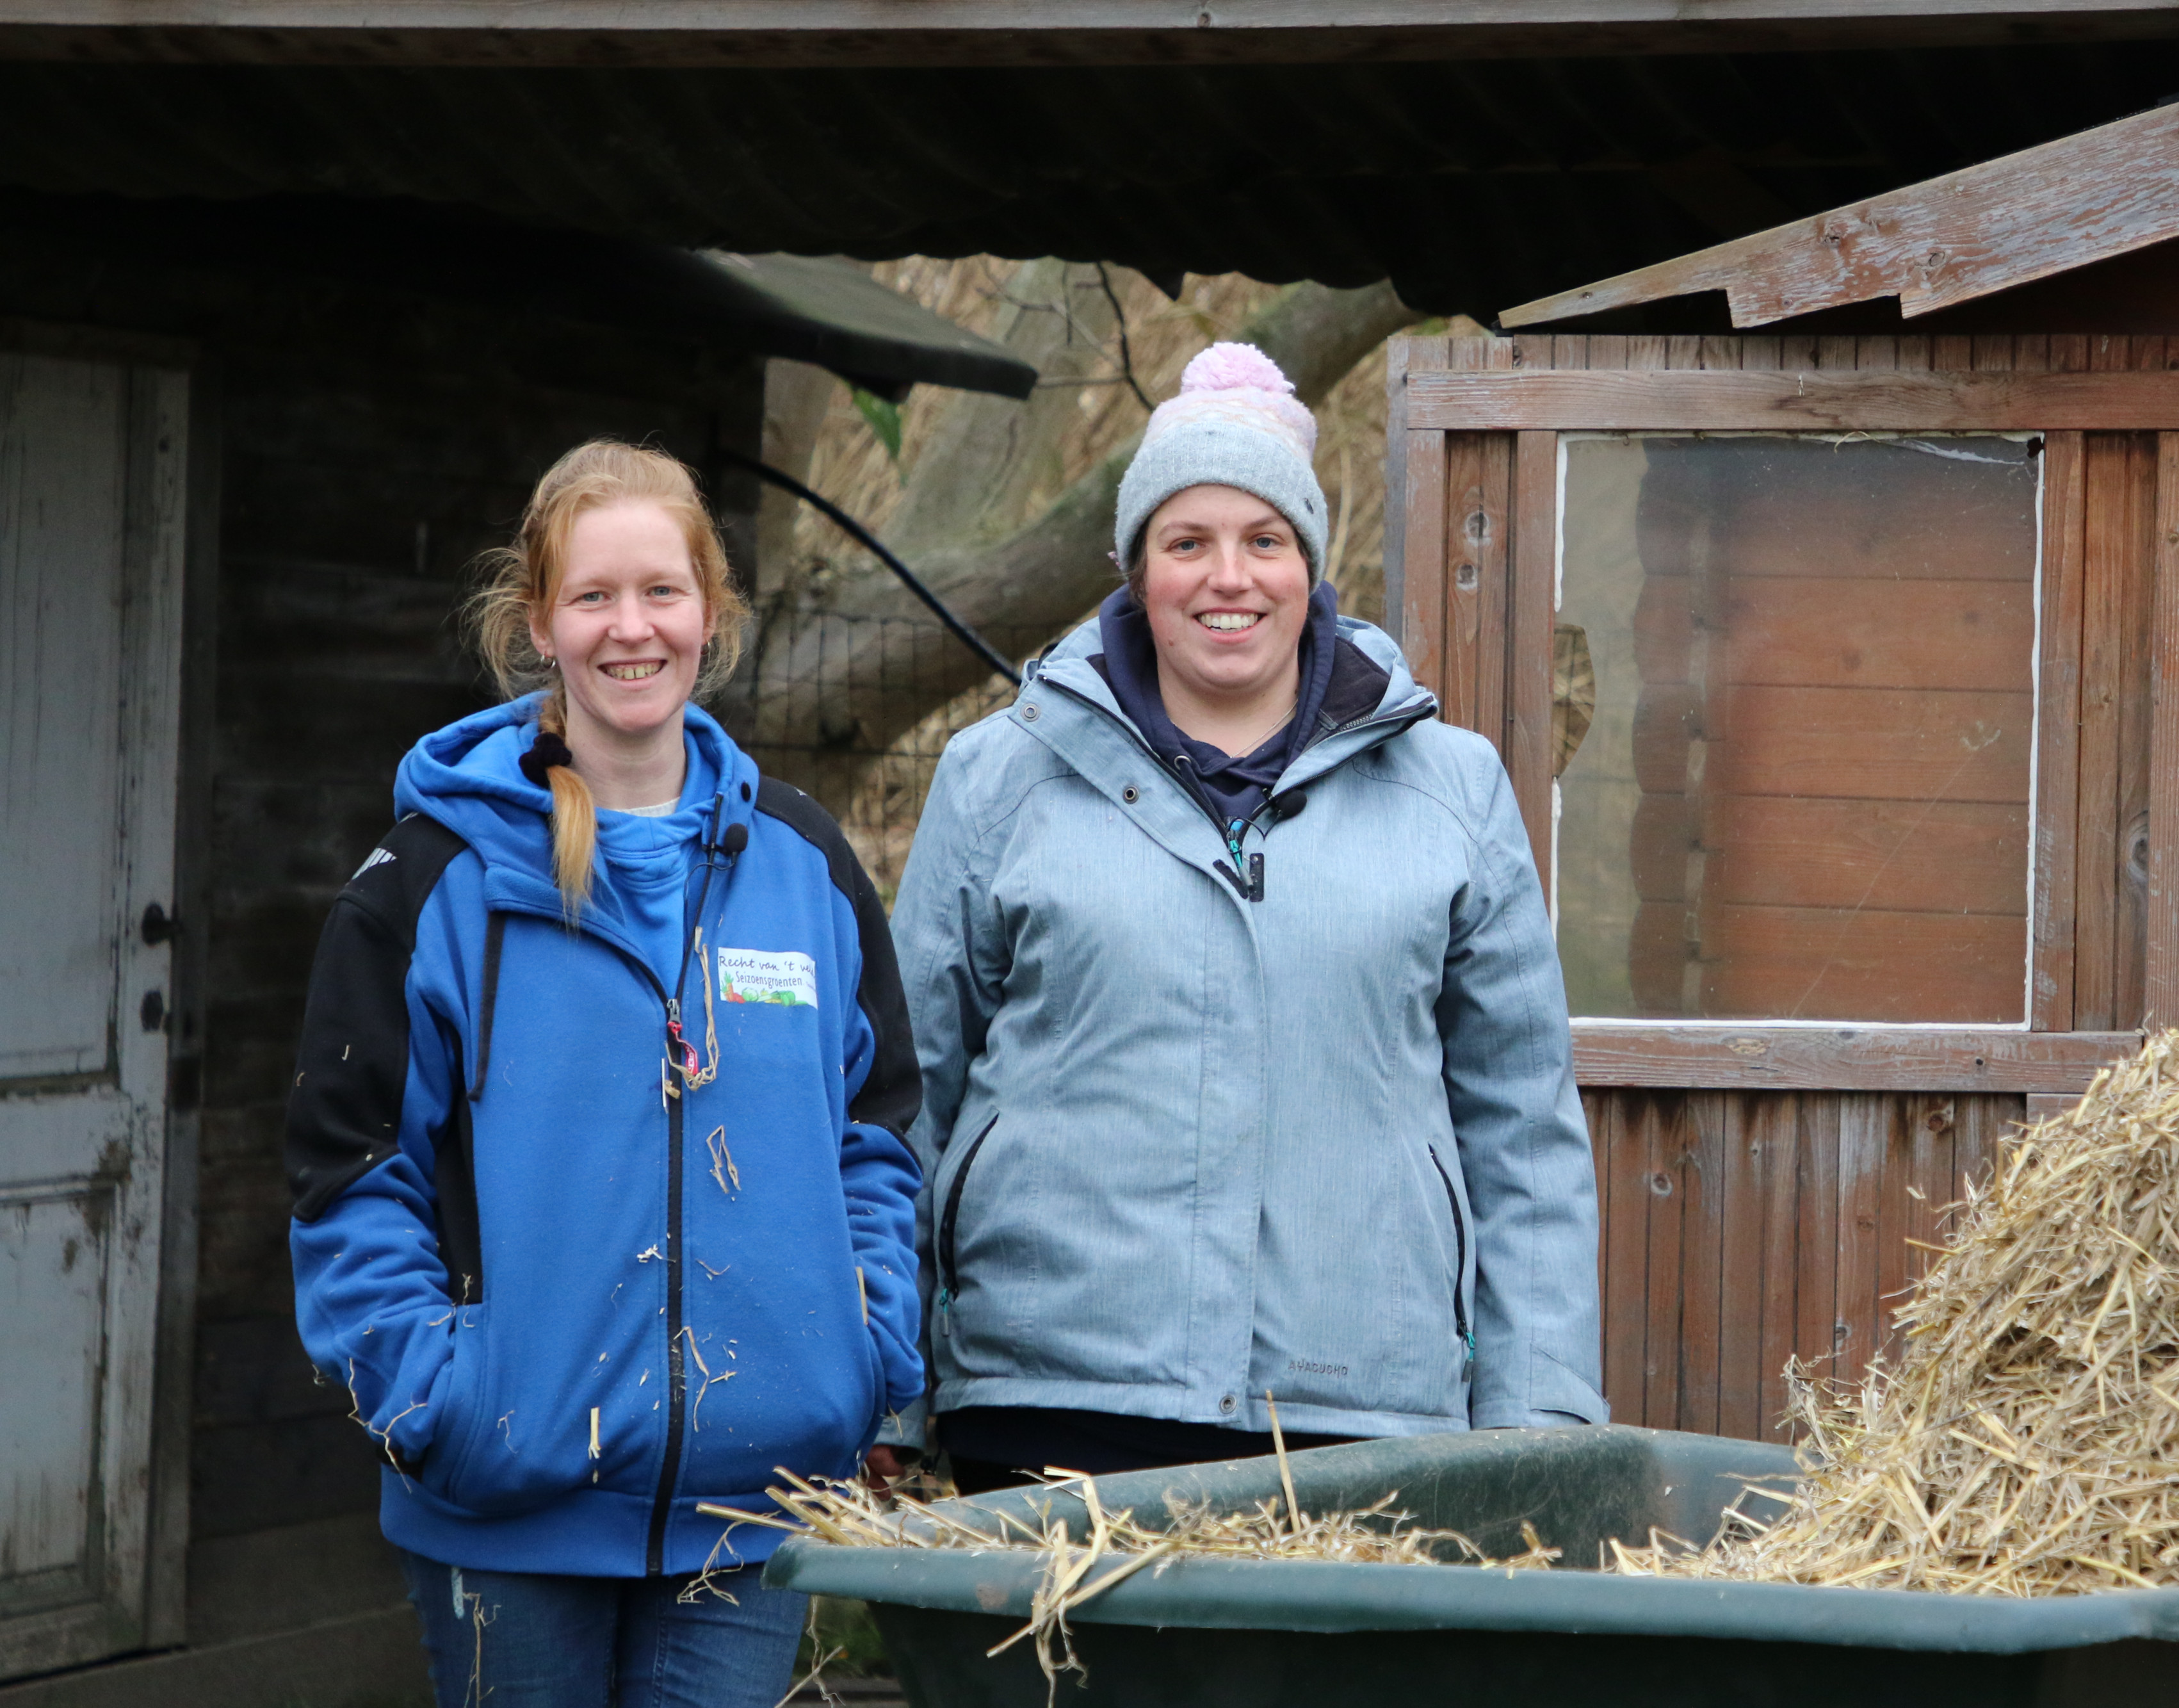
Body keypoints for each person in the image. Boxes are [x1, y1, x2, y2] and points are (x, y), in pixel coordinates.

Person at [887, 344, 1605, 1495]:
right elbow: (912, 1093)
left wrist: (1540, 1417)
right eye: (1188, 542)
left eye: (1264, 540)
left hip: (1359, 1407)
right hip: (1053, 1400)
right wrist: (892, 1390)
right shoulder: (998, 778)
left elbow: (1521, 1132)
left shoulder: (1450, 790)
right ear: (1136, 570)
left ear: (1310, 563)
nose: (1231, 577)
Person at [284, 441, 924, 1707]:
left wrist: (861, 1345)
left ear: (712, 612)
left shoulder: (801, 866)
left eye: (661, 592)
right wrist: (440, 1397)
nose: (630, 628)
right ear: (540, 623)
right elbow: (349, 1169)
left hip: (751, 1508)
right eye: (592, 597)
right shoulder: (430, 880)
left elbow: (875, 1131)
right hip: (506, 1506)